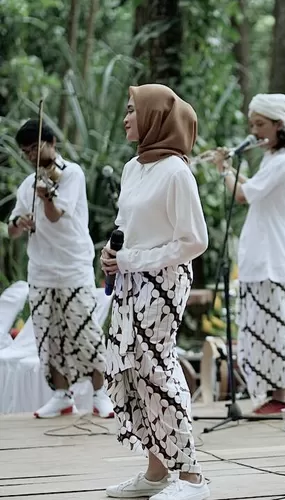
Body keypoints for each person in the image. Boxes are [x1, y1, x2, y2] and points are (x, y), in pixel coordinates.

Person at [101, 84, 210, 500]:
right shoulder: (134, 167)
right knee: (132, 369)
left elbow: (194, 241)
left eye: (133, 110)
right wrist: (113, 256)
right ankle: (157, 471)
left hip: (164, 284)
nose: (127, 118)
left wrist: (133, 260)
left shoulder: (177, 172)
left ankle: (192, 477)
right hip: (130, 282)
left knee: (157, 368)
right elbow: (126, 227)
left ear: (154, 118)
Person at [8, 119, 114, 419]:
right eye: (25, 151)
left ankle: (99, 393)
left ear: (51, 143)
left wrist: (46, 196)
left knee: (85, 330)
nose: (30, 155)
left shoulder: (72, 174)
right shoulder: (28, 184)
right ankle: (60, 394)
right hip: (40, 269)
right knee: (47, 334)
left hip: (72, 266)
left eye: (34, 148)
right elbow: (12, 229)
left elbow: (54, 216)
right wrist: (20, 222)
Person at [211, 93, 285, 415]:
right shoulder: (274, 159)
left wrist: (224, 169)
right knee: (276, 324)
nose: (254, 131)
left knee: (272, 328)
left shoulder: (283, 161)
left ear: (280, 125)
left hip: (270, 257)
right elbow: (253, 188)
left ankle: (278, 398)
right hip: (265, 256)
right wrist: (230, 169)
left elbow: (241, 195)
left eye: (261, 124)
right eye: (252, 124)